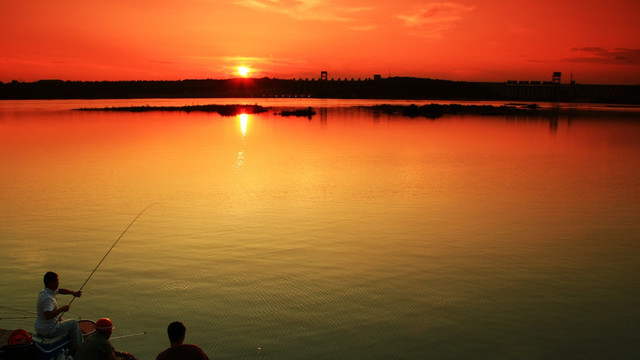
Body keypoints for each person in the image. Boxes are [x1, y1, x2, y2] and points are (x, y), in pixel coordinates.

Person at [35, 271, 83, 348]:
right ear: (51, 283)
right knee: (73, 323)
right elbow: (48, 315)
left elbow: (60, 290)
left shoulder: (44, 291)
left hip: (40, 328)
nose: (58, 283)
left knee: (61, 319)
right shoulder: (49, 299)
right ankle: (78, 347)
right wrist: (62, 309)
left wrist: (73, 293)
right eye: (57, 281)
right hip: (49, 331)